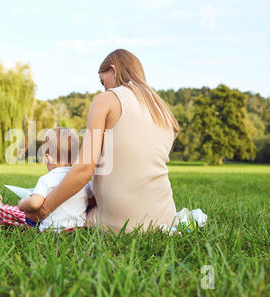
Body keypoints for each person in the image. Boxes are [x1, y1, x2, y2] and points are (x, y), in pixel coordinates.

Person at [25, 48, 180, 233]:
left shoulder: (106, 100)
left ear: (113, 70)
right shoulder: (163, 111)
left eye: (103, 80)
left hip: (121, 220)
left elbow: (84, 169)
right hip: (166, 217)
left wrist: (44, 209)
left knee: (66, 211)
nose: (105, 88)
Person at [17, 127, 93, 232]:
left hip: (51, 229)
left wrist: (21, 203)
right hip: (77, 228)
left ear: (49, 158)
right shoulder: (82, 179)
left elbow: (34, 203)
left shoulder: (47, 179)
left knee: (29, 216)